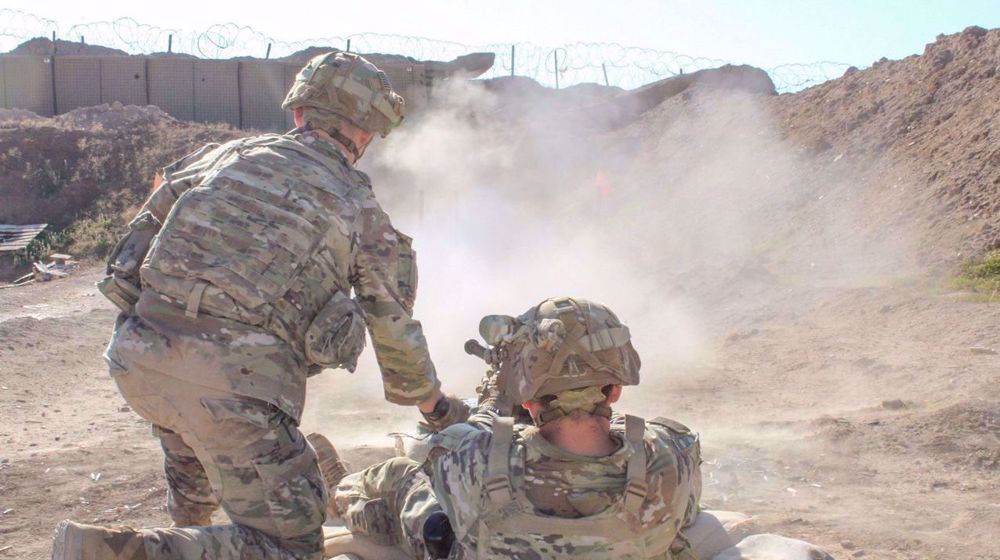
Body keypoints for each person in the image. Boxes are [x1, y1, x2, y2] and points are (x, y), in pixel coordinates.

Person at [52, 51, 455, 560]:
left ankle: (188, 528)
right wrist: (433, 407)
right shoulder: (360, 206)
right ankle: (121, 552)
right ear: (365, 133)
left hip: (138, 354)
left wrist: (162, 331)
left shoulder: (222, 157)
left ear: (299, 114)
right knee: (293, 542)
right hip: (237, 387)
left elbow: (127, 262)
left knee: (190, 424)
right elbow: (392, 327)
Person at [324, 296, 703, 559]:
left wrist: (494, 399)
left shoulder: (474, 459)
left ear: (526, 398)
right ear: (616, 390)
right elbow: (682, 506)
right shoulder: (670, 453)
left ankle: (340, 496)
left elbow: (469, 436)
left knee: (405, 480)